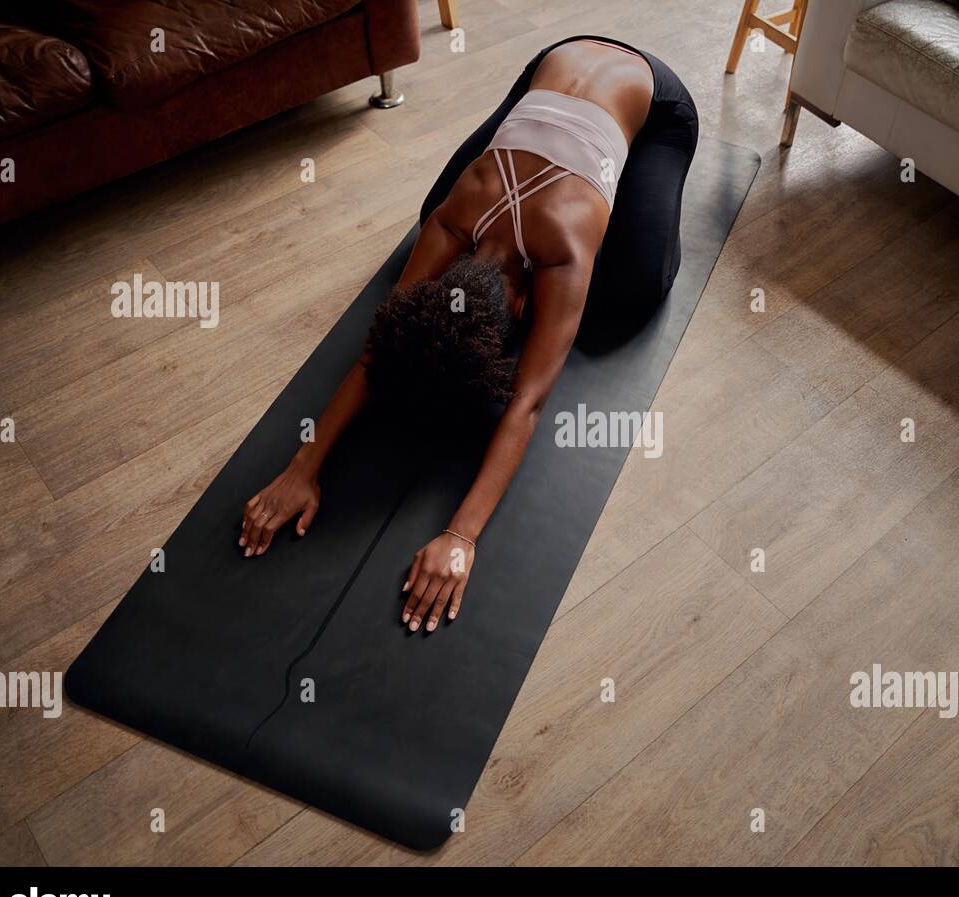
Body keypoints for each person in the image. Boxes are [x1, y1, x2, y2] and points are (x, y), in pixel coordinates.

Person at [238, 36, 699, 633]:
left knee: (633, 292)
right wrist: (303, 465)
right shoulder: (452, 217)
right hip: (553, 61)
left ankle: (639, 154)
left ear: (520, 302)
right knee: (430, 205)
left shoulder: (562, 249)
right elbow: (384, 342)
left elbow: (528, 401)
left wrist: (462, 535)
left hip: (655, 96)